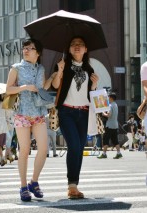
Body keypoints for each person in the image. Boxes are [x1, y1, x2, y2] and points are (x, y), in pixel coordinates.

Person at [52, 36, 99, 199]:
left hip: (84, 113)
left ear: (86, 49)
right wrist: (59, 72)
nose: (77, 47)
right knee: (73, 146)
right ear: (69, 49)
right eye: (73, 44)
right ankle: (71, 186)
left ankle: (74, 185)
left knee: (79, 148)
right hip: (66, 112)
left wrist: (94, 85)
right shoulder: (63, 65)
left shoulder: (90, 70)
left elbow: (91, 94)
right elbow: (55, 86)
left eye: (80, 44)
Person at [6, 38, 49, 202]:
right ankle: (23, 186)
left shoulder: (41, 68)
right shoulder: (16, 68)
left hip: (38, 112)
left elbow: (43, 88)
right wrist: (24, 87)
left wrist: (56, 74)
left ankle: (34, 181)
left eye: (31, 48)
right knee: (24, 151)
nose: (26, 50)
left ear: (37, 53)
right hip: (22, 113)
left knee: (43, 149)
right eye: (25, 48)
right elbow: (8, 89)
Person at [97, 92, 123, 160]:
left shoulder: (110, 106)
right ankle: (119, 153)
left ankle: (104, 154)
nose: (108, 98)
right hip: (115, 125)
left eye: (108, 97)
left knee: (105, 139)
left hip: (109, 125)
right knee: (115, 140)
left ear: (111, 98)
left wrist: (103, 113)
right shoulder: (115, 105)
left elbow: (109, 115)